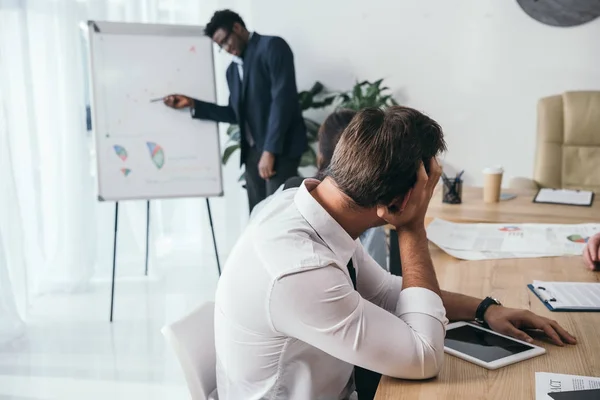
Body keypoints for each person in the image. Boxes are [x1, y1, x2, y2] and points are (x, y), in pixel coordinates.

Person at [214, 106, 576, 400]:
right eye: (425, 188)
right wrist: (413, 226)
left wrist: (486, 309)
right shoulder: (300, 271)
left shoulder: (312, 207)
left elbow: (386, 291)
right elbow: (424, 358)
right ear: (397, 203)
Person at [163, 10, 306, 213]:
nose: (226, 48)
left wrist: (269, 152)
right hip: (253, 155)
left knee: (277, 217)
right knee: (257, 218)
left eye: (225, 41)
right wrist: (193, 104)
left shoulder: (272, 47)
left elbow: (283, 101)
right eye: (220, 46)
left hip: (279, 150)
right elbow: (234, 114)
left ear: (237, 28)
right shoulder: (232, 71)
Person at [253, 109, 387, 269]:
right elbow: (378, 289)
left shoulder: (287, 193)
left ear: (320, 156)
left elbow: (256, 216)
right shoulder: (370, 215)